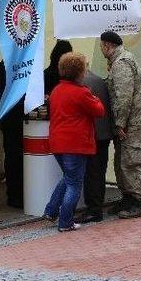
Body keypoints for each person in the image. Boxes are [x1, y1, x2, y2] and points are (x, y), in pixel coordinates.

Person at [43, 52, 105, 232]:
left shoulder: (56, 90)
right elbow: (99, 110)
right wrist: (96, 97)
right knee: (75, 184)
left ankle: (51, 210)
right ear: (79, 72)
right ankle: (65, 222)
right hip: (75, 145)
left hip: (57, 143)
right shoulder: (82, 92)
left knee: (68, 178)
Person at [100, 31, 141, 219]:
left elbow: (123, 97)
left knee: (132, 162)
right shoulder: (124, 58)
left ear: (107, 45)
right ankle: (128, 199)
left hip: (133, 124)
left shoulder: (121, 64)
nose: (101, 49)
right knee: (123, 162)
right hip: (134, 122)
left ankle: (139, 203)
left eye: (101, 46)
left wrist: (120, 124)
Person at [75, 68, 114, 223]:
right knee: (98, 172)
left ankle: (94, 210)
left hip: (93, 134)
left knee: (92, 173)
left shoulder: (83, 84)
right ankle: (96, 207)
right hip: (104, 133)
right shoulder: (98, 79)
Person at [0, 61, 24, 209]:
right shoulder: (20, 62)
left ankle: (14, 195)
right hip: (15, 118)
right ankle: (17, 195)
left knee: (12, 157)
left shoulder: (4, 64)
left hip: (7, 118)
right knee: (16, 157)